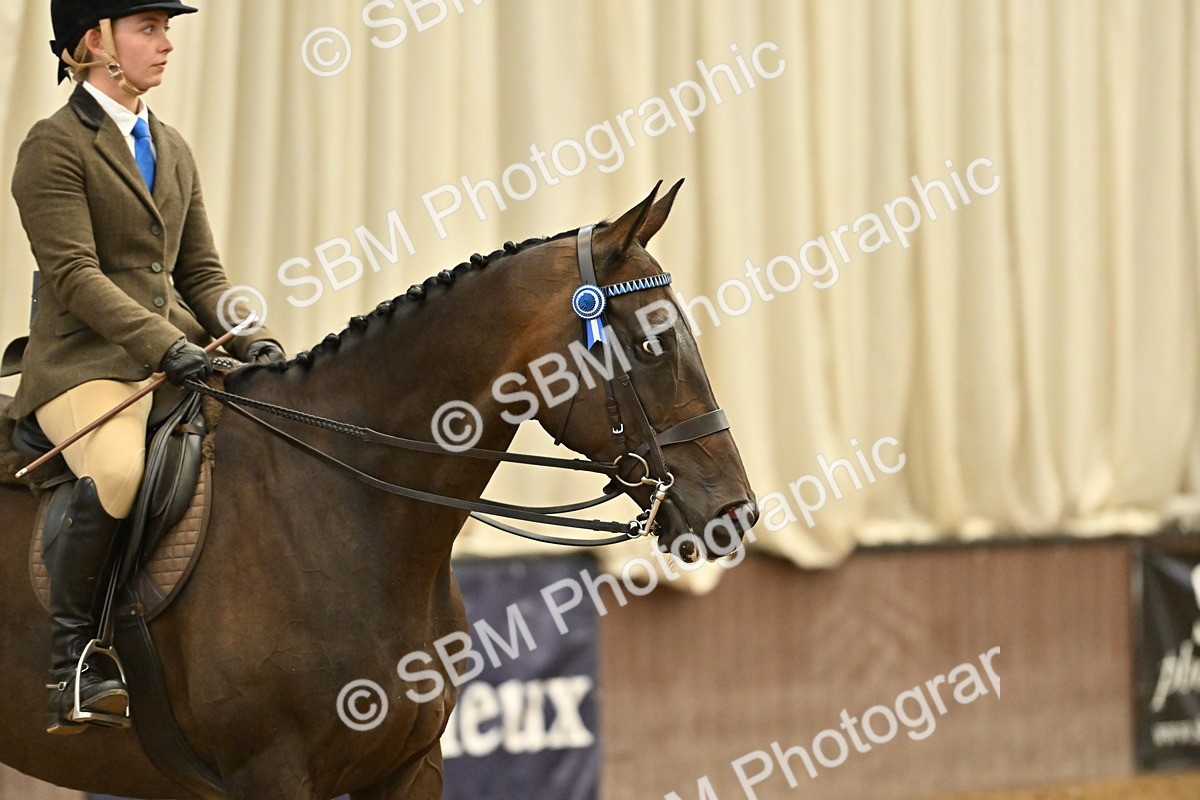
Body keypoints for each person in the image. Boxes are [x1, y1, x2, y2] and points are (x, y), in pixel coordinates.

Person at [7, 0, 284, 734]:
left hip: (177, 353)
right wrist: (161, 344)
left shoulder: (170, 144)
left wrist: (245, 332)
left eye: (167, 30)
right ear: (94, 42)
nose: (165, 45)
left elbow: (201, 272)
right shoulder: (52, 147)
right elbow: (75, 276)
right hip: (83, 363)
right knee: (122, 468)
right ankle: (73, 662)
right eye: (149, 30)